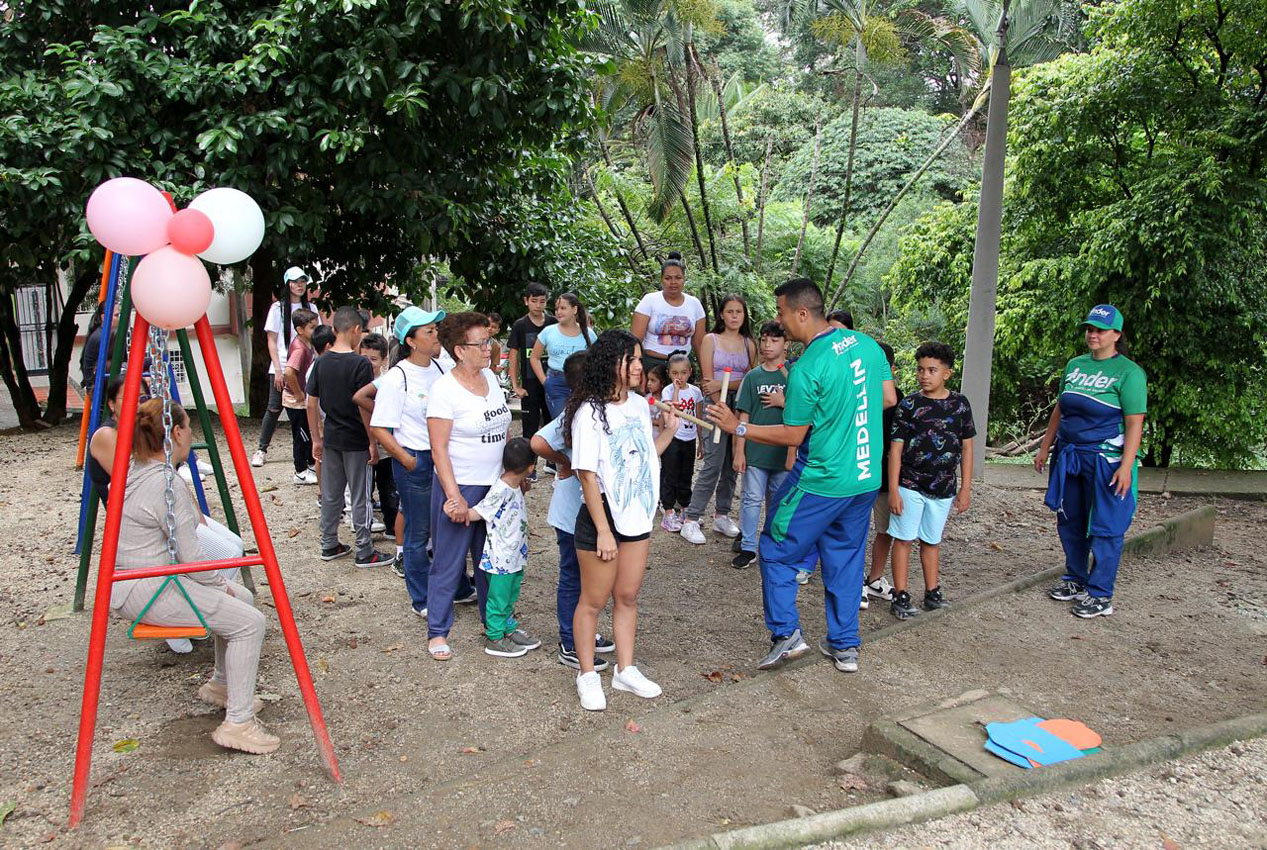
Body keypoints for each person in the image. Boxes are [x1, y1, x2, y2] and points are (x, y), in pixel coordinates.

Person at [708, 278, 896, 674]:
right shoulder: (868, 346)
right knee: (845, 558)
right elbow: (888, 398)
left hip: (820, 480)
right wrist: (845, 415)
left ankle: (786, 634)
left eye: (781, 313)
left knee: (775, 548)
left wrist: (737, 427)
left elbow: (793, 435)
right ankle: (845, 646)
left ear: (803, 313)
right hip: (864, 478)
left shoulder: (808, 365)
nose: (779, 321)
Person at [112, 398, 277, 754]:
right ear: (176, 432)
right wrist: (219, 586)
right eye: (188, 427)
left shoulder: (135, 469)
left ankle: (222, 684)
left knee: (243, 598)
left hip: (136, 581)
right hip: (149, 587)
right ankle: (239, 723)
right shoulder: (166, 483)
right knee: (250, 622)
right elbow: (191, 558)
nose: (191, 434)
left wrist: (224, 588)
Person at [566, 330, 679, 711]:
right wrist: (602, 530)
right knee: (593, 601)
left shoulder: (639, 405)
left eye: (639, 360)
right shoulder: (589, 411)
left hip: (636, 516)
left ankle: (625, 669)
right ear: (610, 363)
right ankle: (587, 674)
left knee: (628, 596)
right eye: (631, 359)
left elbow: (645, 458)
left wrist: (669, 431)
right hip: (603, 517)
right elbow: (586, 475)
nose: (639, 367)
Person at [1035, 304, 1146, 619]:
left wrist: (1126, 465)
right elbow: (1061, 408)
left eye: (1100, 330)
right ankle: (1075, 577)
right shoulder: (1075, 365)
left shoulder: (1129, 372)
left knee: (1106, 526)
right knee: (1070, 519)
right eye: (1090, 329)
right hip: (1070, 456)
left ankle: (1100, 594)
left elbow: (1134, 422)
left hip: (1105, 460)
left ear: (1116, 334)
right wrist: (1045, 446)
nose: (1093, 334)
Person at [360, 306, 472, 619]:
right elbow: (379, 427)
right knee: (418, 533)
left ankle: (458, 586)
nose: (437, 336)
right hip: (417, 461)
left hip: (442, 457)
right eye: (429, 332)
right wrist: (408, 460)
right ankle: (421, 596)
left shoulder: (440, 367)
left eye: (436, 330)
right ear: (411, 341)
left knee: (447, 527)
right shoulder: (397, 378)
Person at [426, 312, 514, 660]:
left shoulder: (490, 377)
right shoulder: (444, 390)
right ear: (460, 351)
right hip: (461, 486)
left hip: (495, 486)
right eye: (481, 343)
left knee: (491, 560)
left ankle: (493, 623)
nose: (489, 348)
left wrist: (512, 476)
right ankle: (437, 631)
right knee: (448, 562)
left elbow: (503, 427)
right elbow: (438, 450)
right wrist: (454, 497)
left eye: (489, 341)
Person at [530, 351, 617, 670]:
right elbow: (538, 442)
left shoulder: (600, 410)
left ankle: (584, 631)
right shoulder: (576, 413)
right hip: (571, 515)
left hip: (591, 513)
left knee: (589, 578)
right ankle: (570, 641)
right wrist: (566, 462)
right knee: (573, 576)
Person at [885, 341, 975, 619]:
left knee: (931, 540)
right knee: (903, 538)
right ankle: (901, 595)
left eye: (932, 370)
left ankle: (932, 592)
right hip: (910, 483)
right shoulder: (909, 405)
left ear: (946, 373)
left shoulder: (960, 405)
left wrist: (965, 488)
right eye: (921, 369)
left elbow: (967, 447)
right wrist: (893, 490)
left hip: (944, 486)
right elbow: (895, 449)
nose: (925, 375)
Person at [307, 307, 390, 567]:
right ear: (356, 329)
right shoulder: (360, 363)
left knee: (331, 493)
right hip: (356, 439)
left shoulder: (321, 362)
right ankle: (365, 550)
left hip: (331, 437)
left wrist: (316, 438)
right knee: (360, 495)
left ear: (334, 330)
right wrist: (372, 440)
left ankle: (329, 542)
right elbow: (362, 406)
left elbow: (311, 403)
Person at [680, 294, 756, 545]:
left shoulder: (749, 343)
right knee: (713, 461)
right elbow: (708, 383)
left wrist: (730, 385)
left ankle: (722, 514)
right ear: (721, 314)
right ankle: (691, 518)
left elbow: (751, 380)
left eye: (739, 312)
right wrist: (724, 397)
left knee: (732, 462)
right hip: (716, 404)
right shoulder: (710, 340)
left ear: (744, 316)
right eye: (730, 311)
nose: (734, 316)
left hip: (741, 406)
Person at [732, 322, 797, 569]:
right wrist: (739, 451)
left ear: (786, 344)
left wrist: (783, 402)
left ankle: (772, 546)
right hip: (756, 451)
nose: (767, 345)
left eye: (774, 340)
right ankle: (748, 546)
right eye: (764, 339)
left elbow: (804, 413)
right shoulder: (753, 376)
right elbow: (743, 416)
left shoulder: (793, 375)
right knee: (750, 499)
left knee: (778, 502)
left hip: (783, 451)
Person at [464, 437, 537, 658]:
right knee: (499, 597)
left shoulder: (514, 486)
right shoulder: (500, 489)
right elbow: (478, 512)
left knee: (510, 593)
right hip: (500, 558)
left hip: (514, 555)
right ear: (531, 467)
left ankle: (508, 627)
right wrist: (458, 512)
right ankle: (494, 637)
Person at [253, 267, 320, 467]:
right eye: (295, 281)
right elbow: (271, 340)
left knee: (307, 408)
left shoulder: (311, 308)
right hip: (283, 365)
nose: (299, 285)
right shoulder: (278, 308)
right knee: (274, 407)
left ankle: (309, 453)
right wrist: (278, 369)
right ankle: (261, 449)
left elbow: (318, 337)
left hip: (307, 366)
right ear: (287, 284)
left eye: (303, 281)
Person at [863, 342, 901, 607]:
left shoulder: (901, 400)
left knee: (885, 530)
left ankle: (874, 579)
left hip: (886, 477)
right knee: (852, 531)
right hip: (856, 474)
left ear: (892, 369)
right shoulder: (853, 394)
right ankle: (852, 585)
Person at [630, 252, 707, 377]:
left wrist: (705, 374)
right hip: (652, 364)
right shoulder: (649, 300)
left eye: (678, 278)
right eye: (668, 278)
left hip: (683, 365)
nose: (673, 282)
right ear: (661, 280)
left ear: (684, 279)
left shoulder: (695, 304)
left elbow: (699, 344)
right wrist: (635, 370)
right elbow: (635, 340)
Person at [658, 352, 704, 533]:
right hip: (673, 438)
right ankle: (668, 511)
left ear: (690, 372)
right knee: (670, 474)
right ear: (669, 373)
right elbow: (673, 412)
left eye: (684, 373)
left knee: (686, 473)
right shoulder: (667, 391)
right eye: (675, 373)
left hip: (689, 438)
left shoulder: (696, 392)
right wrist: (676, 390)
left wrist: (701, 441)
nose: (680, 377)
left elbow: (698, 417)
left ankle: (685, 507)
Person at [507, 283, 556, 456]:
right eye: (534, 301)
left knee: (553, 425)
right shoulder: (520, 325)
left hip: (551, 383)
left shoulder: (553, 323)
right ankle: (530, 465)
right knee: (529, 428)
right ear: (526, 301)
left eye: (542, 301)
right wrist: (515, 386)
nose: (538, 305)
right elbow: (513, 356)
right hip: (529, 385)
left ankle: (553, 464)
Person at [532, 292, 597, 418]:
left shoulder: (589, 334)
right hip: (556, 383)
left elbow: (598, 359)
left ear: (574, 309)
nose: (558, 312)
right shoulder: (548, 332)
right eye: (556, 309)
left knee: (582, 420)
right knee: (560, 423)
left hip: (582, 383)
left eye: (563, 308)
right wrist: (545, 382)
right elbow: (534, 358)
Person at [358, 333, 395, 537]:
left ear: (384, 360)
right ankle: (366, 524)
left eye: (373, 359)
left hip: (386, 444)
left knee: (388, 486)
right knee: (364, 486)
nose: (369, 364)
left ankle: (391, 525)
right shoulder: (356, 380)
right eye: (364, 358)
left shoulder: (387, 382)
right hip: (363, 442)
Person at [281, 309, 319, 486]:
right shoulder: (299, 349)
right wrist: (298, 394)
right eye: (312, 327)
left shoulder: (307, 344)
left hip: (301, 400)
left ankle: (310, 465)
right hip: (295, 402)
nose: (315, 330)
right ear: (300, 329)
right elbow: (289, 372)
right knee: (301, 435)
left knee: (308, 434)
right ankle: (300, 471)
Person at [487, 313, 505, 378]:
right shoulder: (471, 340)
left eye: (494, 327)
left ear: (497, 330)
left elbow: (493, 367)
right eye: (487, 325)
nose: (489, 328)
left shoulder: (496, 346)